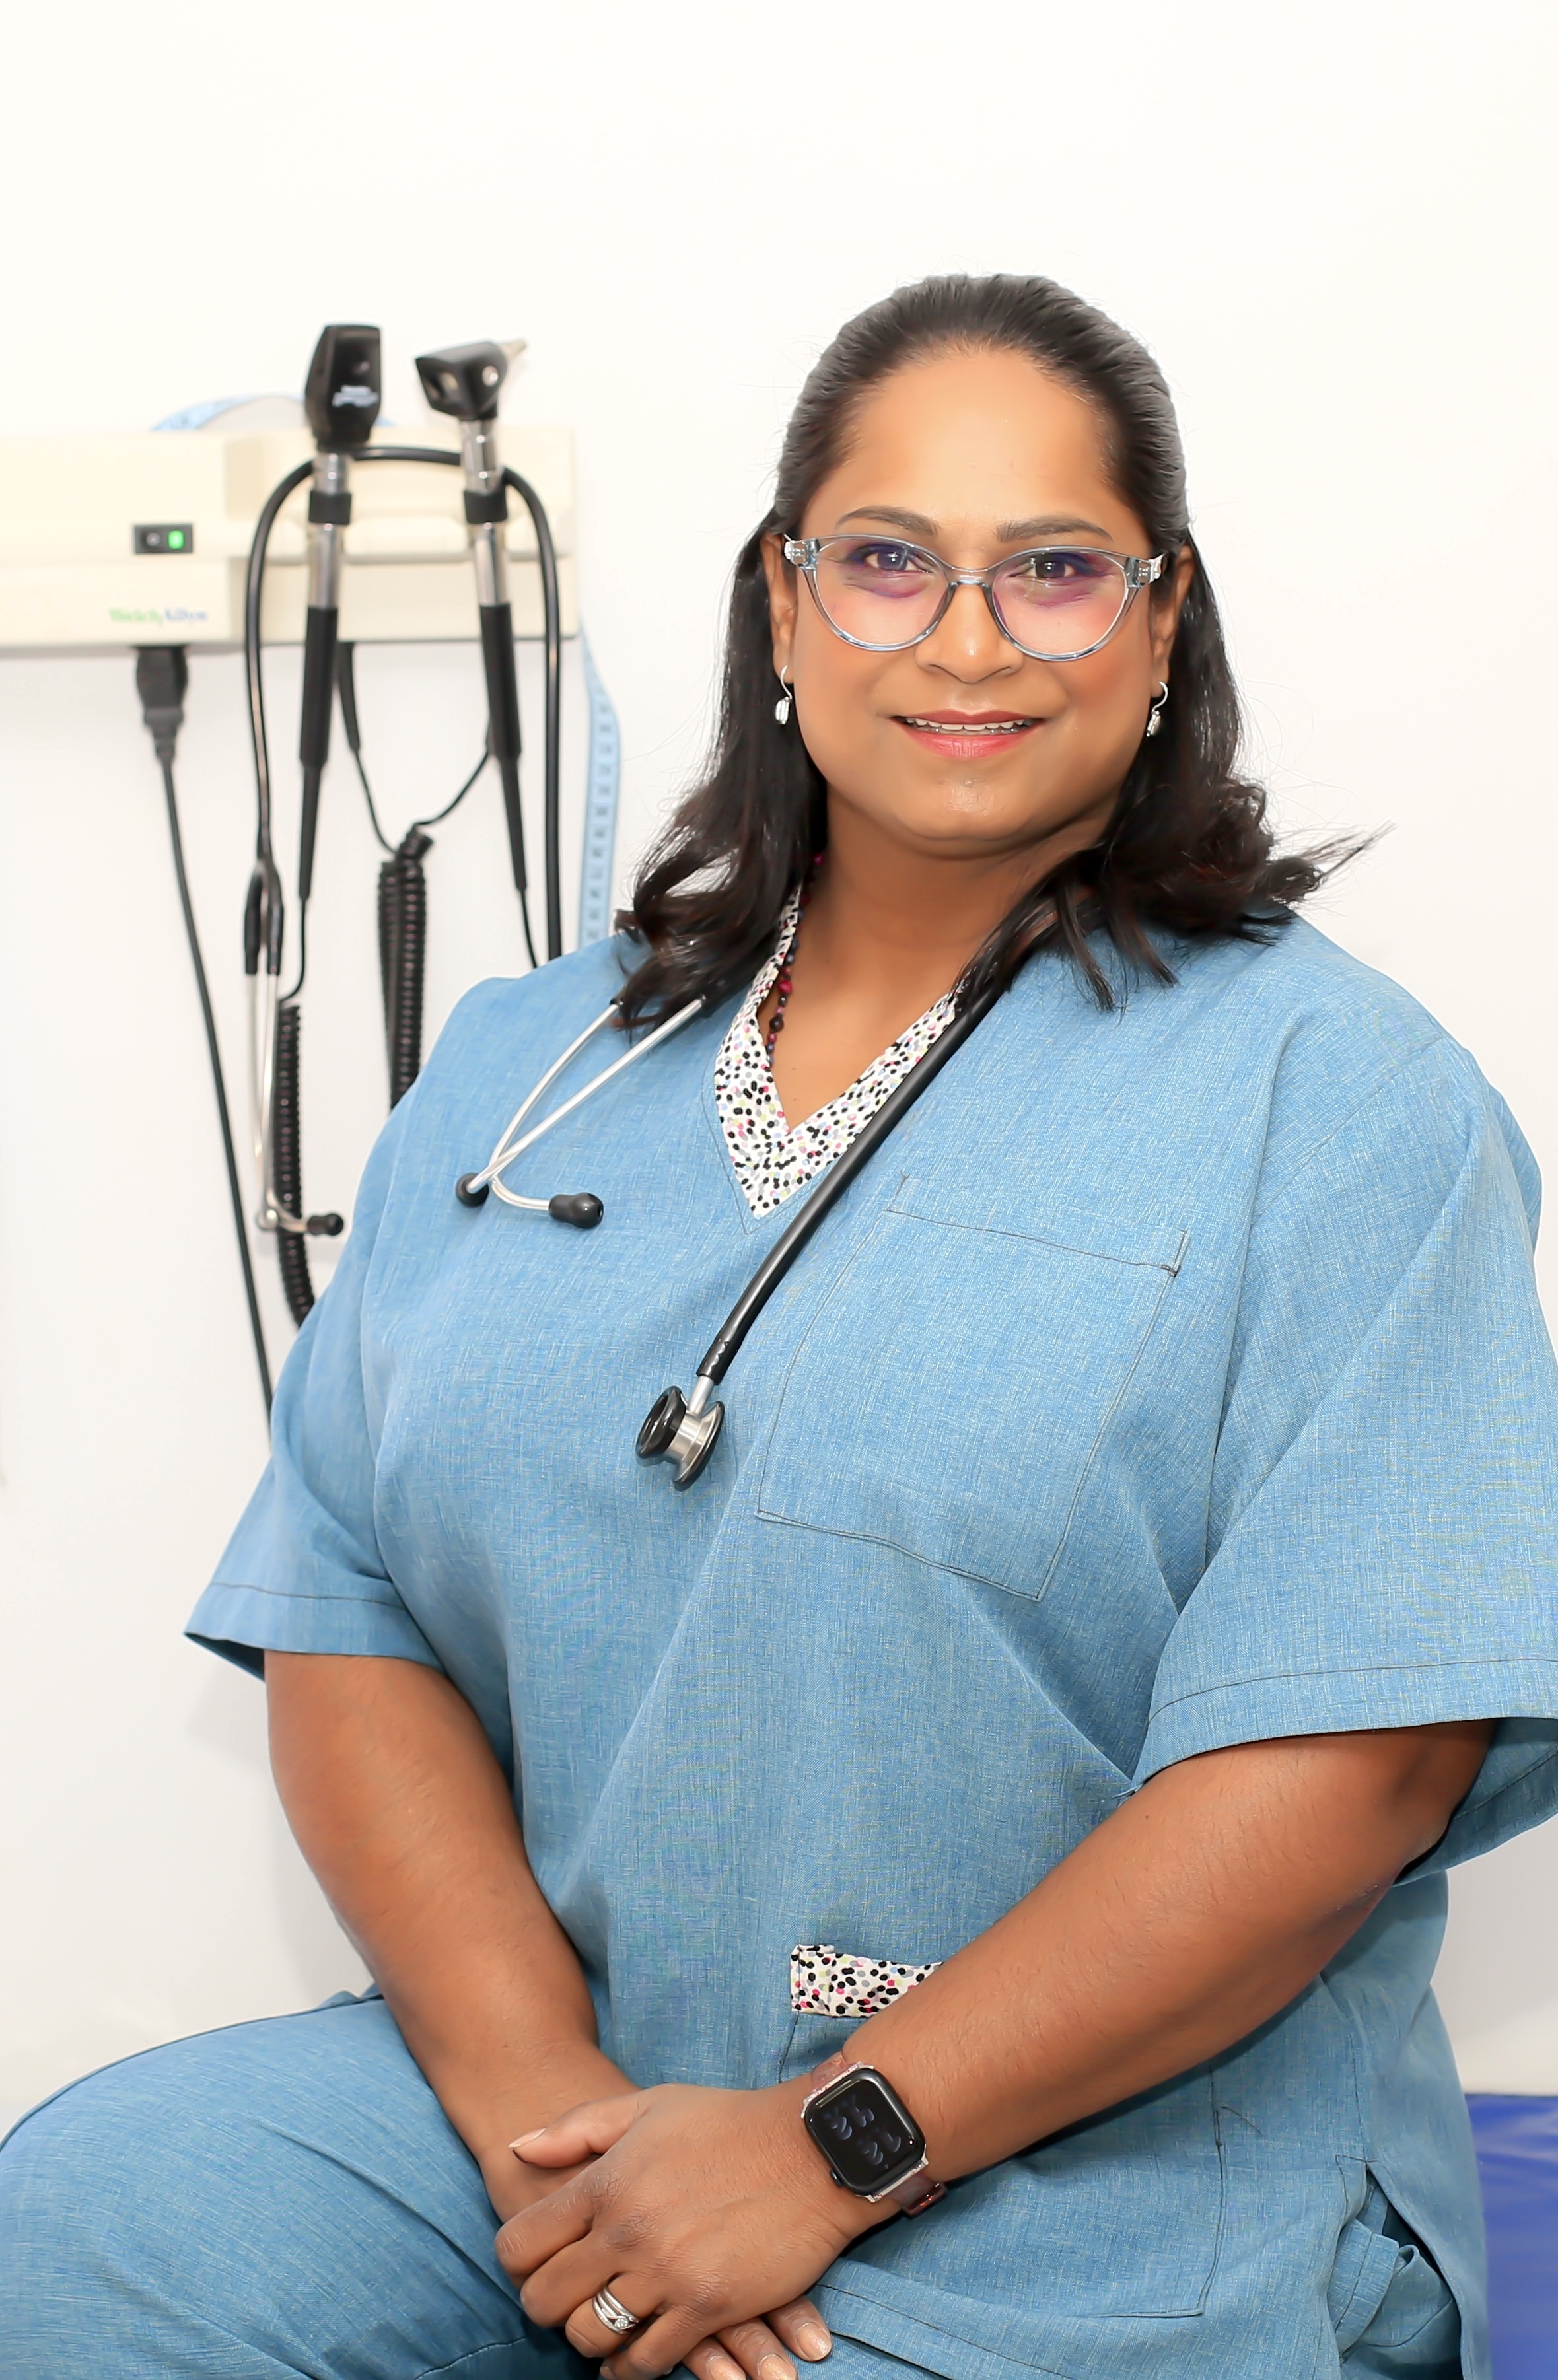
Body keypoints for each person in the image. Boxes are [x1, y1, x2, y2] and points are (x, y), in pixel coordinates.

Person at [4, 273, 1557, 2380]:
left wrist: (832, 2143)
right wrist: (557, 2134)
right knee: (96, 2238)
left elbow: (1360, 1758)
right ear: (784, 598)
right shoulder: (529, 1063)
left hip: (1110, 2183)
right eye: (892, 560)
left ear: (1164, 617)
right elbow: (344, 1599)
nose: (971, 637)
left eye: (1058, 569)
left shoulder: (1340, 1104)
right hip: (571, 2097)